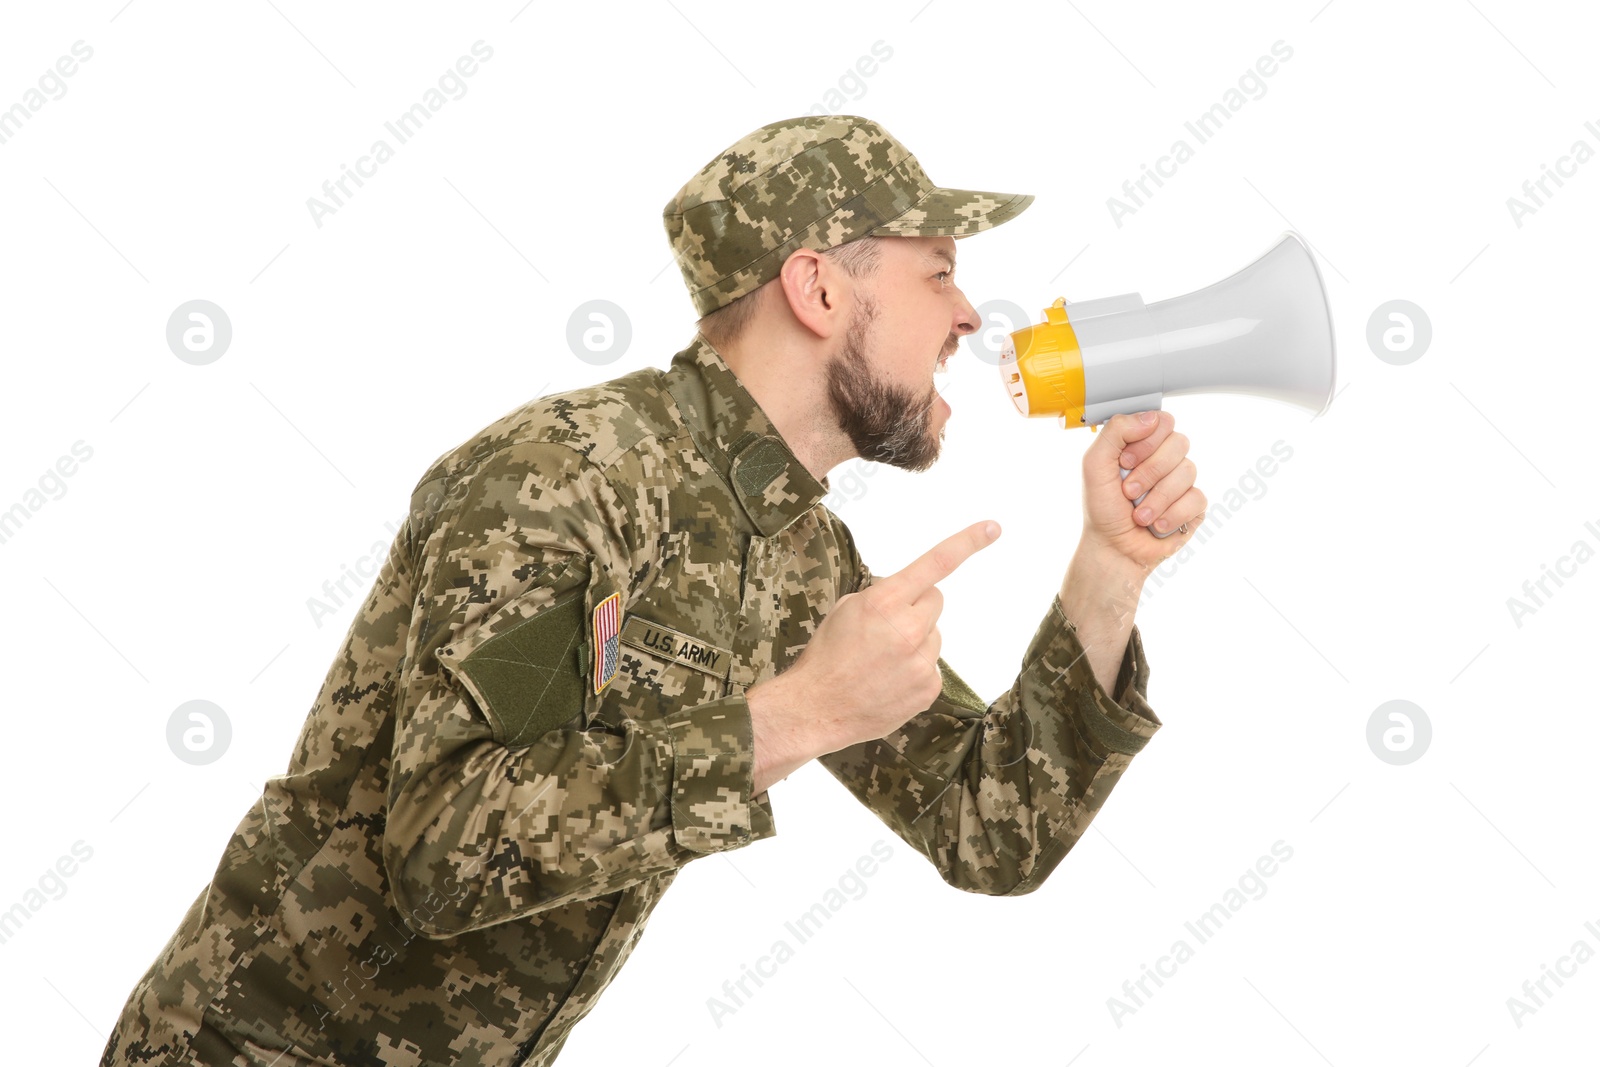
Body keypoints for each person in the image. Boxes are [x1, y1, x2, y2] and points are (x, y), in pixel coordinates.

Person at [100, 113, 1206, 1067]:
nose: (969, 316)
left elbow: (989, 826)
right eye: (938, 272)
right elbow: (449, 847)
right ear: (817, 287)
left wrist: (1108, 572)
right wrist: (800, 712)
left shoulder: (792, 551)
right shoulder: (563, 472)